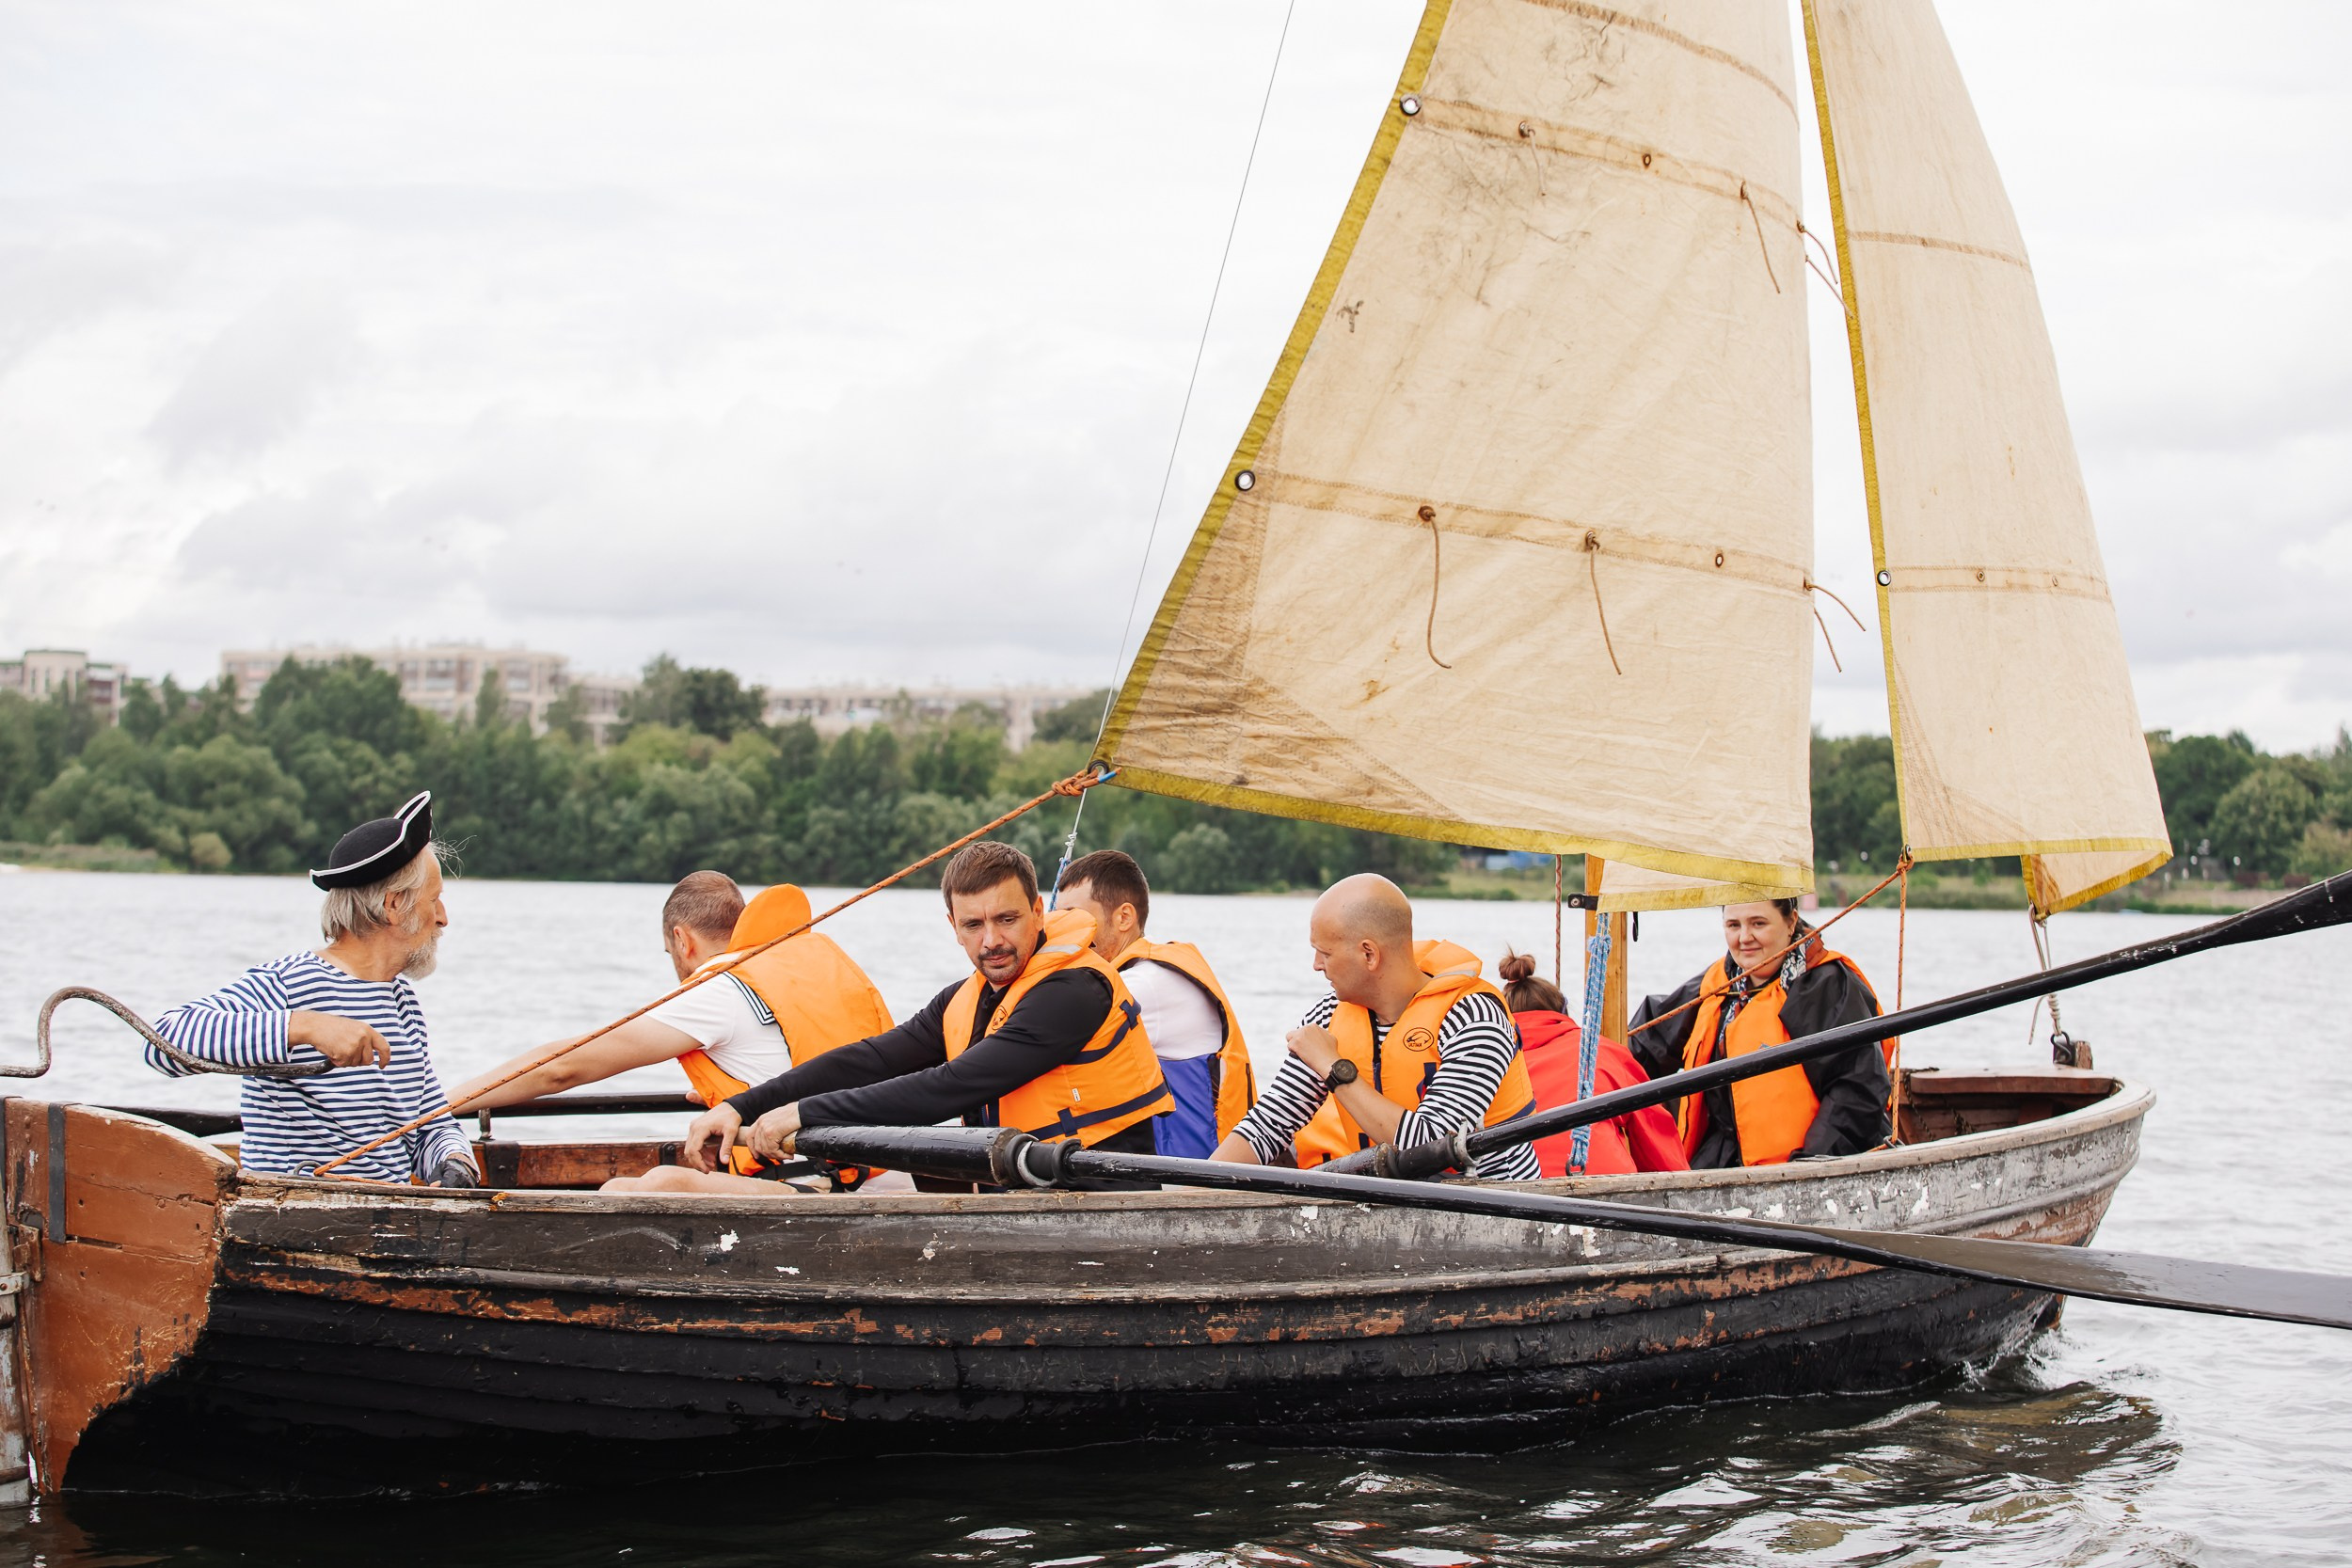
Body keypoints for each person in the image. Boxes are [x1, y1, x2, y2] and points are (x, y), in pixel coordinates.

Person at [639, 841, 1171, 1195]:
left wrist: (802, 1114)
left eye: (1007, 919)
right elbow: (870, 1060)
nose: (992, 941)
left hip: (1099, 1202)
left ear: (1037, 911)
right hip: (1024, 1196)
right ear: (953, 926)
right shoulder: (966, 998)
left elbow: (951, 1086)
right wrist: (742, 1105)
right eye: (974, 925)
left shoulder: (1073, 992)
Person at [449, 872, 893, 1175]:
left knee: (626, 1191)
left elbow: (561, 1067)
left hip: (811, 1181)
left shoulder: (716, 988)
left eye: (669, 954)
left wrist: (439, 1105)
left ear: (682, 940)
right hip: (870, 1167)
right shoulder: (794, 970)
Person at [148, 790, 477, 1186]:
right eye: (435, 900)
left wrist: (455, 1159)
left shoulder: (403, 1002)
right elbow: (162, 1044)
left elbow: (430, 1124)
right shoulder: (286, 982)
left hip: (387, 1212)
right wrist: (304, 1026)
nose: (443, 918)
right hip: (289, 1212)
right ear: (393, 906)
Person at [1212, 873, 1541, 1181]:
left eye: (1325, 953)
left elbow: (1431, 1146)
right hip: (1395, 1201)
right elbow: (1268, 1124)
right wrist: (1194, 1190)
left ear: (1369, 954)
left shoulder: (1474, 1017)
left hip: (1492, 1201)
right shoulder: (1329, 1014)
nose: (1316, 965)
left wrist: (1333, 1069)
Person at [1627, 899, 1891, 1168]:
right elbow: (1652, 1039)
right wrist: (1608, 1067)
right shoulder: (1720, 982)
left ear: (1791, 922)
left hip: (1810, 1162)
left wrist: (1808, 1168)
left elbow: (1858, 1091)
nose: (1744, 938)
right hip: (1724, 1158)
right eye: (1734, 925)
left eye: (1758, 923)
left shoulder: (1826, 985)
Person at [1053, 848, 1253, 1159]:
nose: (1061, 930)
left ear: (1124, 918)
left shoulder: (1146, 984)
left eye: (1073, 917)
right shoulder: (1135, 972)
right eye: (1057, 918)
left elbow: (1045, 1038)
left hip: (1189, 1172)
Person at [1495, 951, 1688, 1177]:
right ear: (1562, 1011)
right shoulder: (1602, 1051)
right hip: (1604, 1180)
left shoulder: (1487, 1059)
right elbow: (1653, 1131)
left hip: (1508, 1185)